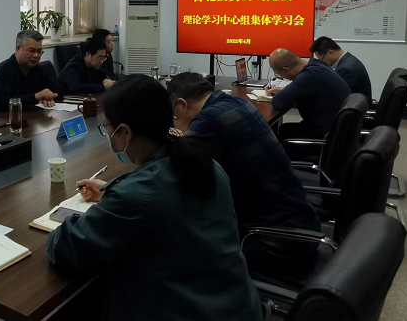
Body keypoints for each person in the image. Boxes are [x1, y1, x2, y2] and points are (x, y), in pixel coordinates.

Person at [46, 76, 262, 321]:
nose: (107, 134)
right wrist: (113, 189)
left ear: (126, 132)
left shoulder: (138, 195)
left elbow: (67, 248)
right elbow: (167, 205)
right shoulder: (205, 164)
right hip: (237, 306)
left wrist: (115, 199)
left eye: (107, 127)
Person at [168, 72, 320, 273]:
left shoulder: (208, 120)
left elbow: (172, 167)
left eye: (173, 116)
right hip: (300, 224)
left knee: (178, 247)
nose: (175, 121)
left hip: (274, 241)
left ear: (181, 105)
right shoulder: (236, 103)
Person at [266, 48, 351, 140]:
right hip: (339, 128)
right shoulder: (317, 64)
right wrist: (282, 90)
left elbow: (278, 102)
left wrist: (282, 93)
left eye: (278, 74)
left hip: (327, 134)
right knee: (285, 128)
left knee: (283, 133)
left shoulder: (308, 76)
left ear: (285, 69)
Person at [0, 30, 59, 111]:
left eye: (39, 51)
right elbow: (1, 103)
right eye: (31, 51)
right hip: (3, 116)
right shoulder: (4, 70)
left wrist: (48, 98)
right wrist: (36, 97)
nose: (36, 55)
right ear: (18, 49)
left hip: (31, 114)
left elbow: (56, 91)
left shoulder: (38, 69)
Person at [310, 36, 372, 104]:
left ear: (331, 52)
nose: (322, 62)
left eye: (321, 59)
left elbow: (337, 96)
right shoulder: (348, 61)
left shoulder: (346, 70)